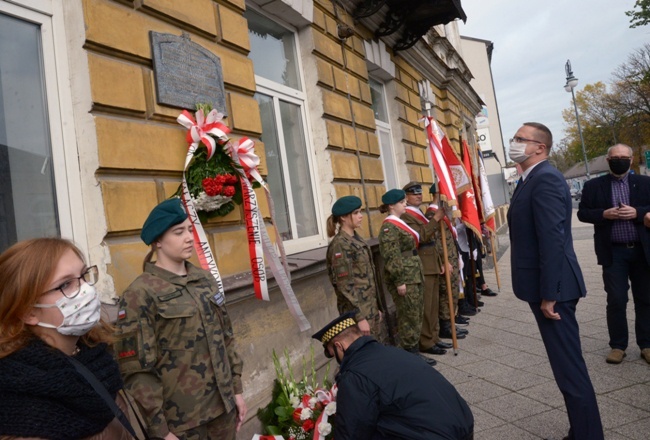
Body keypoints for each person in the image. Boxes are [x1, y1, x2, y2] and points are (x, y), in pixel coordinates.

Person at [115, 198, 247, 440]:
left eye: (189, 229)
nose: (189, 237)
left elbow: (226, 338)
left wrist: (236, 390)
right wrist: (160, 430)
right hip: (183, 425)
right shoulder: (140, 294)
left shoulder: (204, 280)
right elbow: (137, 370)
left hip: (223, 411)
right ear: (157, 241)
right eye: (178, 232)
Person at [507, 122, 603, 440]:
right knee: (566, 368)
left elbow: (552, 240)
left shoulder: (545, 178)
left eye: (521, 139)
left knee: (570, 370)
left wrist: (550, 293)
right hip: (547, 288)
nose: (514, 143)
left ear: (540, 148)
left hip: (555, 291)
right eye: (514, 138)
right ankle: (581, 431)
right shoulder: (529, 179)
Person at [0, 238, 133, 440]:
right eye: (66, 284)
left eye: (83, 275)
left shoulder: (98, 360)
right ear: (28, 312)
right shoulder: (18, 401)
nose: (87, 290)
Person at [312, 312, 474, 440]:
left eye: (334, 355)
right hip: (463, 424)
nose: (338, 361)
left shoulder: (354, 375)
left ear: (339, 346)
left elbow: (352, 432)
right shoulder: (389, 352)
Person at [577, 144, 650, 365]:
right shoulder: (593, 186)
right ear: (608, 161)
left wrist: (638, 212)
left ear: (631, 158)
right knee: (616, 299)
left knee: (646, 299)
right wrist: (604, 214)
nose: (619, 160)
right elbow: (582, 213)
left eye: (623, 157)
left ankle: (646, 344)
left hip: (642, 251)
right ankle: (618, 346)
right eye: (615, 157)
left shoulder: (646, 183)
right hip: (613, 252)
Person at [378, 188, 430, 362]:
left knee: (415, 313)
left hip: (413, 275)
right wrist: (399, 281)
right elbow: (392, 257)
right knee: (408, 316)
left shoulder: (399, 223)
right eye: (401, 202)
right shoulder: (388, 228)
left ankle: (413, 351)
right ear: (391, 206)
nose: (405, 204)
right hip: (405, 278)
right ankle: (410, 355)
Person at [326, 195, 384, 340]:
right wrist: (359, 318)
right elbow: (344, 286)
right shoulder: (341, 244)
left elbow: (367, 279)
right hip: (357, 313)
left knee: (374, 350)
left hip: (369, 308)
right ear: (344, 218)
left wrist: (376, 308)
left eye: (360, 212)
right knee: (363, 353)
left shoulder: (356, 239)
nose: (361, 216)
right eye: (356, 213)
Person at [401, 181, 450, 353]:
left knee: (433, 305)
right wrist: (436, 218)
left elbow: (432, 240)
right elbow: (420, 237)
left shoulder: (418, 213)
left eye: (420, 192)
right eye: (414, 193)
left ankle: (434, 337)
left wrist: (440, 261)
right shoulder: (406, 216)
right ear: (405, 197)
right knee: (426, 307)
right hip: (422, 265)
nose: (419, 195)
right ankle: (427, 342)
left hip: (431, 264)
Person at [426, 186, 469, 339]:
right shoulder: (432, 214)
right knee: (446, 294)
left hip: (451, 259)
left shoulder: (443, 215)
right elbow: (435, 241)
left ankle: (451, 322)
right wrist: (444, 261)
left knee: (453, 291)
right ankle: (446, 327)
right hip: (445, 262)